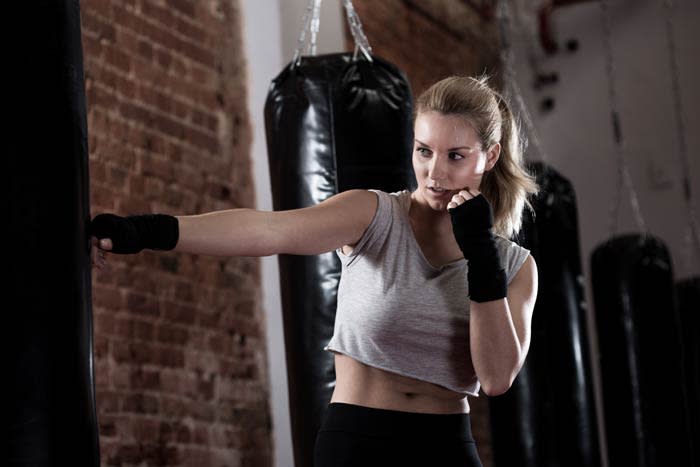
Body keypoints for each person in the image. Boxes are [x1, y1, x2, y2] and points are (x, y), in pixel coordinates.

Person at [91, 75, 539, 467]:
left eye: (455, 156)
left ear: (491, 155)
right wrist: (144, 230)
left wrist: (480, 255)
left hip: (446, 445)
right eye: (424, 151)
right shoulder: (374, 215)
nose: (434, 173)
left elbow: (497, 377)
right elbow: (268, 231)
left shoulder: (515, 266)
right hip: (358, 440)